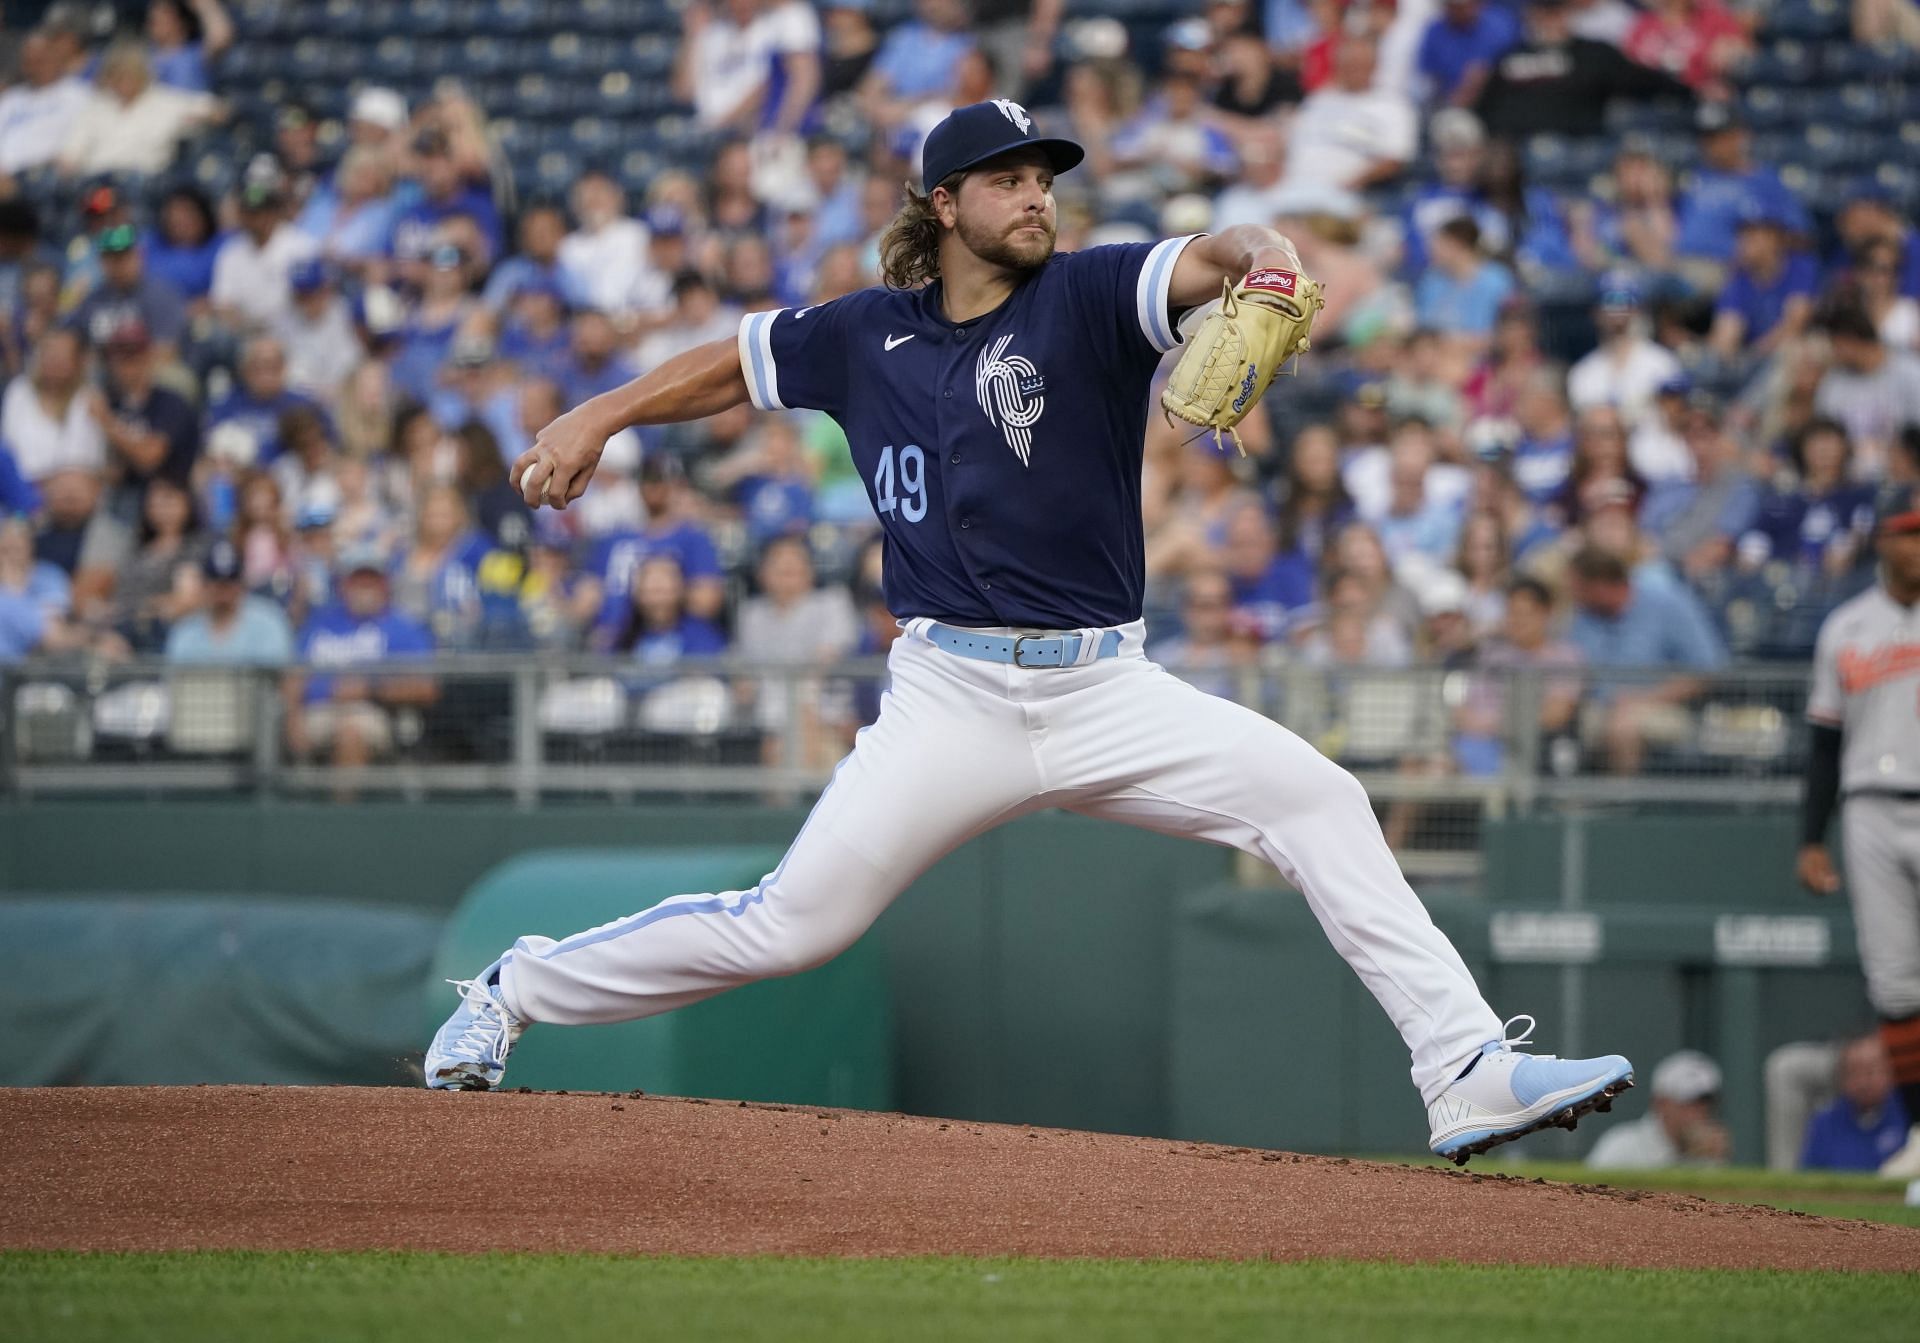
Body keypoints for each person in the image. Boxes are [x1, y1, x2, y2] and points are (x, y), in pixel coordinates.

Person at [426, 99, 1635, 1166]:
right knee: (794, 925)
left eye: (1044, 177)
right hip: (949, 696)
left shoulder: (1095, 295)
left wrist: (1267, 259)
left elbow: (1219, 255)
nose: (1034, 197)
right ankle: (514, 984)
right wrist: (600, 412)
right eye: (1007, 178)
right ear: (944, 203)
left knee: (1317, 796)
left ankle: (1463, 1067)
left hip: (1108, 688)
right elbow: (733, 365)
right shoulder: (865, 332)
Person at [1798, 483, 1920, 1178]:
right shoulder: (1845, 627)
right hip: (1868, 803)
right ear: (1884, 541)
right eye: (1908, 532)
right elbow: (1821, 743)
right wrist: (1809, 838)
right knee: (1897, 984)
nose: (1917, 546)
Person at [283, 542, 436, 766]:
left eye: (372, 579)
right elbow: (293, 676)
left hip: (372, 711)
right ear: (343, 584)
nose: (365, 586)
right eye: (358, 579)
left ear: (384, 584)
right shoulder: (320, 622)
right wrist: (292, 718)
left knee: (351, 732)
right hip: (315, 711)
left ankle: (343, 802)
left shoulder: (402, 627)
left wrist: (368, 690)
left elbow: (426, 688)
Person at [1587, 1050, 1730, 1168]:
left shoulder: (1708, 1153)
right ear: (1660, 1103)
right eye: (1688, 1104)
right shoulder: (1621, 1147)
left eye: (1704, 1104)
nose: (1698, 1113)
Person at [166, 535, 293, 663]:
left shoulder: (268, 621)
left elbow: (279, 676)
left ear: (241, 583)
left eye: (229, 583)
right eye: (217, 583)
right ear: (205, 585)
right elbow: (176, 677)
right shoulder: (187, 630)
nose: (223, 592)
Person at [1799, 1034, 1912, 1171]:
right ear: (1841, 1078)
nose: (1863, 1082)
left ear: (1889, 1071)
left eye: (1871, 1072)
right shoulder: (1824, 1124)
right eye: (1854, 1072)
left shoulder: (1909, 1113)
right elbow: (1808, 1178)